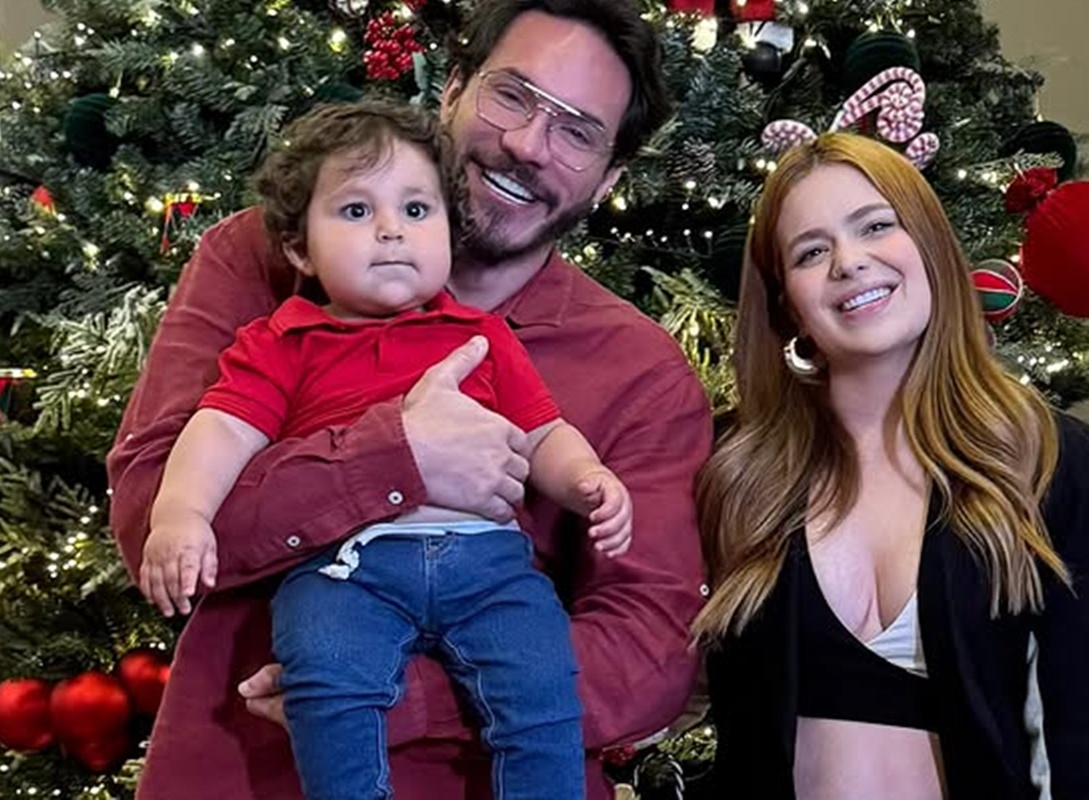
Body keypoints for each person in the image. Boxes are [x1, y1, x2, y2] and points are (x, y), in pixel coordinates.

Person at [105, 2, 713, 798]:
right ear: (452, 88)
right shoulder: (260, 261)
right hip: (240, 771)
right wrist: (396, 458)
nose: (529, 144)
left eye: (577, 132)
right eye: (513, 95)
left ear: (608, 179)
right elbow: (152, 517)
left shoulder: (640, 370)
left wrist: (386, 698)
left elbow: (652, 650)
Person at [694, 132, 1089, 800]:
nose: (849, 262)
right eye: (811, 252)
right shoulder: (732, 464)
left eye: (876, 226)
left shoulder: (1048, 458)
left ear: (929, 245)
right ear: (788, 305)